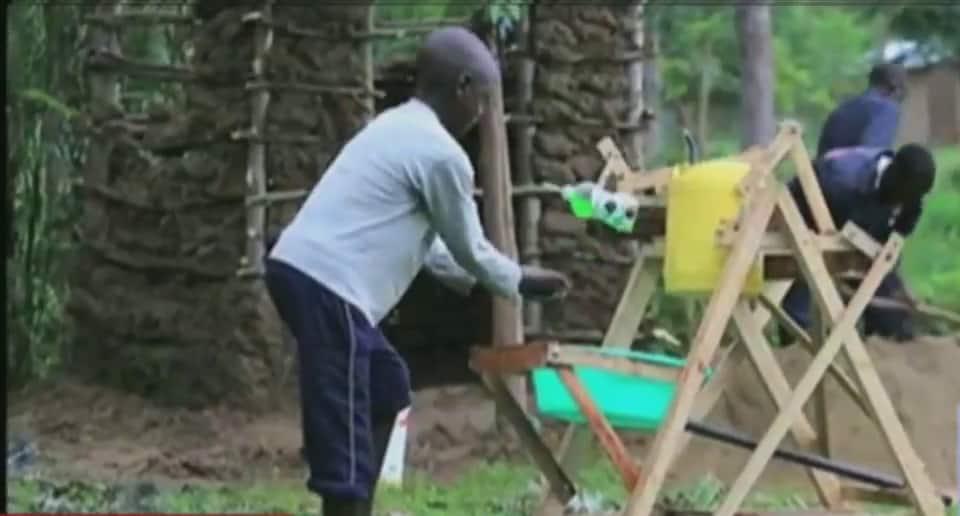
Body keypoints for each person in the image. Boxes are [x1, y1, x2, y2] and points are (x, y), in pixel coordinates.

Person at [264, 27, 570, 516]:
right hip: (328, 286)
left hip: (306, 273)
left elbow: (435, 250)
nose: (484, 113)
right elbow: (469, 246)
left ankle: (355, 500)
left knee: (385, 385)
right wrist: (519, 282)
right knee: (342, 411)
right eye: (484, 100)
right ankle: (345, 501)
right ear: (463, 86)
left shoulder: (396, 125)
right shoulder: (442, 155)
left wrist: (485, 279)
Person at [781, 143, 936, 343]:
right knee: (802, 323)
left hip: (862, 243)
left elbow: (891, 246)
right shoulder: (840, 182)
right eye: (906, 196)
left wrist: (899, 288)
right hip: (807, 228)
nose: (907, 203)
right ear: (894, 177)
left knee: (895, 324)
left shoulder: (911, 196)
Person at [816, 63, 907, 158]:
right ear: (894, 85)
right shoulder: (886, 109)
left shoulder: (843, 107)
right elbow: (872, 156)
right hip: (853, 171)